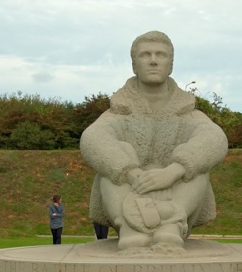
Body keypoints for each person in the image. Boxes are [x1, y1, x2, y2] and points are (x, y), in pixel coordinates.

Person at [79, 31, 229, 251]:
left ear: (170, 65)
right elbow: (92, 139)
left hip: (175, 195)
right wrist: (132, 173)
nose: (153, 60)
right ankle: (130, 228)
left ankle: (171, 226)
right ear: (134, 65)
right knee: (115, 154)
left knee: (195, 159)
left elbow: (215, 138)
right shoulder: (120, 112)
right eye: (145, 55)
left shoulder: (186, 113)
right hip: (130, 193)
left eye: (161, 55)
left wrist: (173, 171)